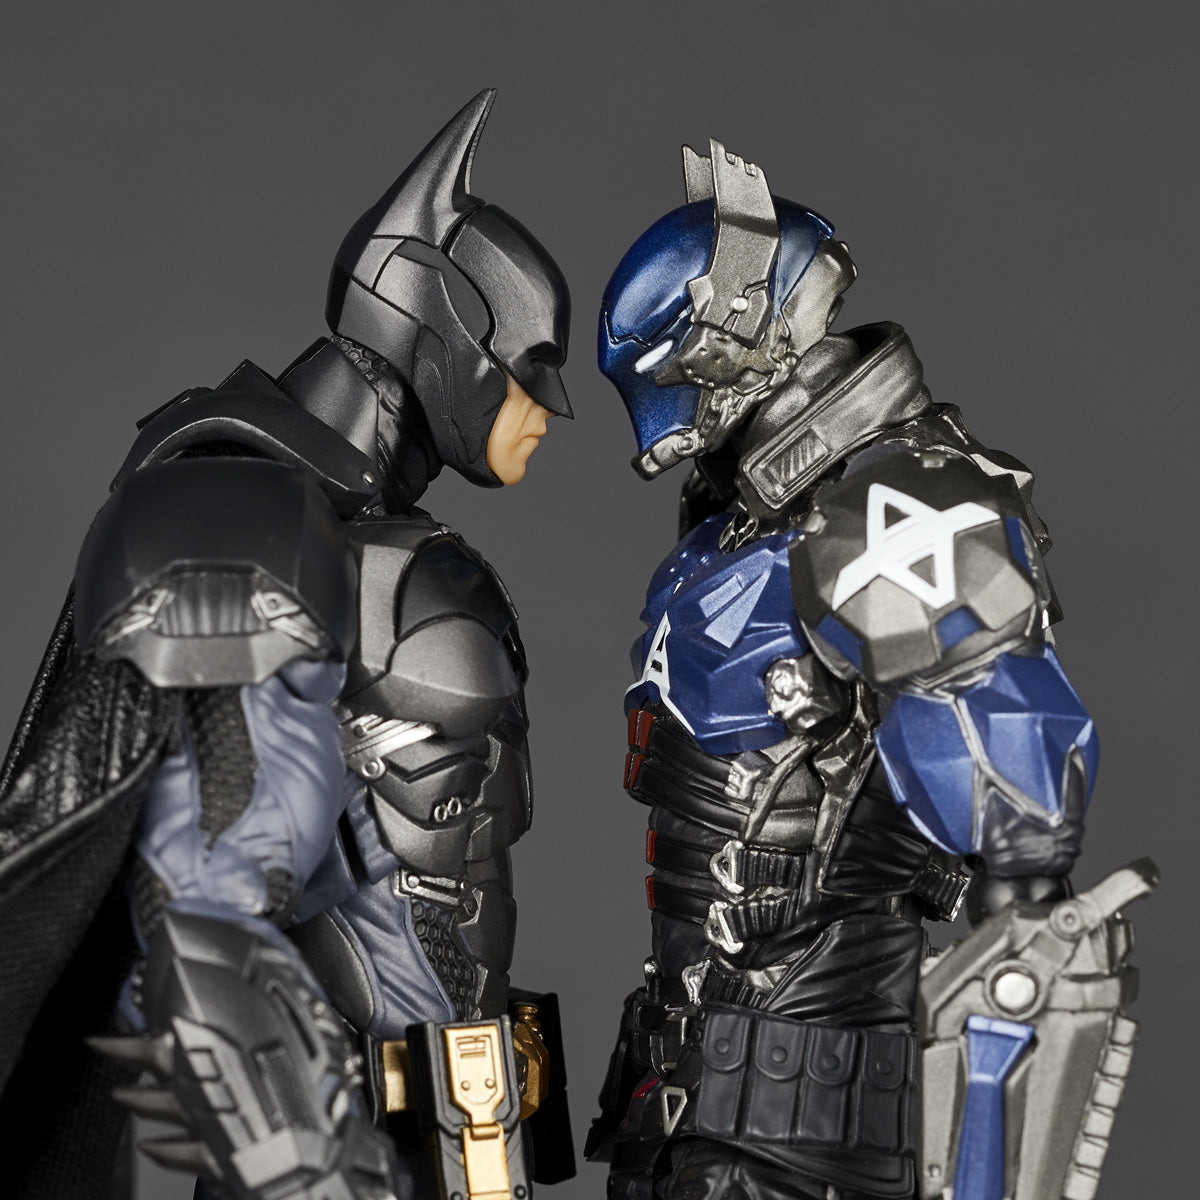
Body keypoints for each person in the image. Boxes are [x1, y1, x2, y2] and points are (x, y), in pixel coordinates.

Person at [0, 90, 571, 1200]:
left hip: (459, 1136)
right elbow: (206, 919)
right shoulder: (243, 521)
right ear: (446, 333)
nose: (546, 407)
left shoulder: (363, 535)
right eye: (527, 366)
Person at [586, 140, 1151, 1200]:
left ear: (737, 337)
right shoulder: (755, 522)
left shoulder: (902, 514)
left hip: (809, 1132)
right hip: (691, 1110)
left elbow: (1029, 888)